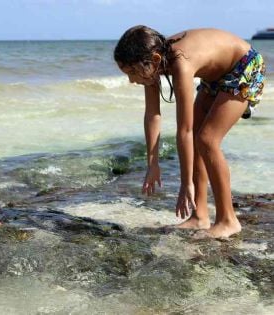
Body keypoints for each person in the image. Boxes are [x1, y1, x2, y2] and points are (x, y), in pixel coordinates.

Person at [114, 26, 266, 238]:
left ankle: (228, 220)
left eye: (132, 72)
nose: (131, 80)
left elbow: (183, 130)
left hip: (244, 66)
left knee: (206, 140)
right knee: (197, 137)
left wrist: (186, 184)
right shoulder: (152, 63)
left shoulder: (180, 64)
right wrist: (153, 163)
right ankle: (199, 216)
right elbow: (152, 115)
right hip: (215, 77)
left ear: (155, 59)